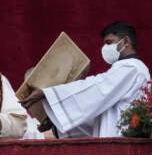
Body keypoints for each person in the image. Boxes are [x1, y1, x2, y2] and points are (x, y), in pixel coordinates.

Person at [20, 21, 150, 138]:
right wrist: (56, 123)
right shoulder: (124, 71)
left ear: (126, 41)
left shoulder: (132, 69)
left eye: (109, 42)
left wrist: (48, 93)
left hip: (125, 149)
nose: (105, 48)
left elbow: (97, 88)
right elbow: (98, 118)